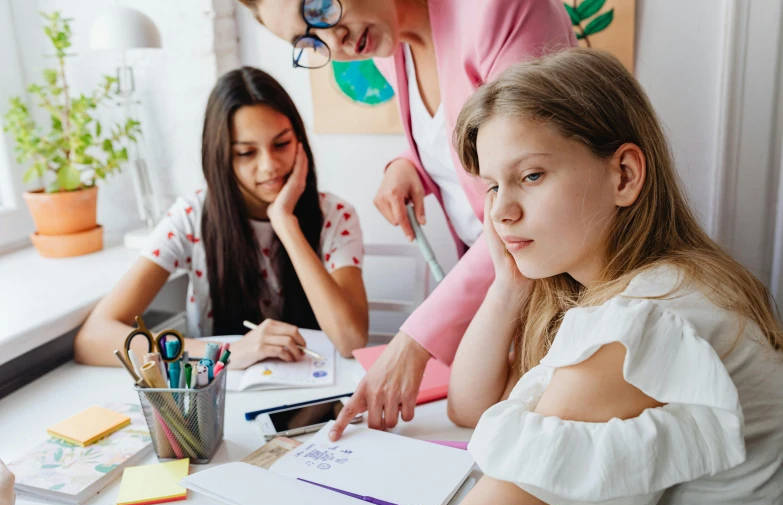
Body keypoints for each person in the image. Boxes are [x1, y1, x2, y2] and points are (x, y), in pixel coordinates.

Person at [444, 48, 783, 505]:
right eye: (493, 186)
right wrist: (507, 285)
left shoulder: (638, 326)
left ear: (624, 175)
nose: (501, 212)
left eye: (532, 175)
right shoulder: (650, 285)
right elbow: (469, 407)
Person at [237, 0, 577, 439]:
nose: (332, 41)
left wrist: (415, 341)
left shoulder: (501, 10)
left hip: (565, 289)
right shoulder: (391, 47)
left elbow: (529, 188)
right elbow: (459, 140)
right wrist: (408, 163)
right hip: (508, 291)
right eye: (308, 39)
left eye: (318, 7)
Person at [75, 67, 369, 368]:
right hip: (222, 402)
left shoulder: (335, 215)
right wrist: (226, 352)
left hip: (315, 399)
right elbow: (93, 338)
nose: (269, 166)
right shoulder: (192, 217)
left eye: (281, 144)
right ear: (221, 157)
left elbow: (351, 339)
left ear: (300, 142)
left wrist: (284, 223)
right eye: (246, 153)